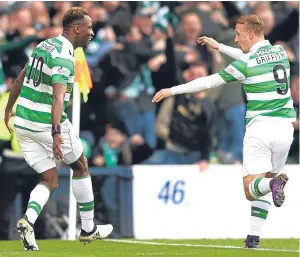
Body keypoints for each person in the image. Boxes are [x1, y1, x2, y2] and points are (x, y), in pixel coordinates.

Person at [152, 14, 296, 248]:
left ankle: (272, 185)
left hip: (260, 130)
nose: (237, 40)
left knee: (252, 189)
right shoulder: (279, 53)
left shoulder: (246, 64)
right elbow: (249, 57)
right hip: (285, 130)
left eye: (238, 35)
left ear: (250, 34)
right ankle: (253, 238)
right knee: (268, 181)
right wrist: (219, 46)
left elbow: (208, 82)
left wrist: (172, 90)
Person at [4, 7, 113, 251]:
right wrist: (56, 134)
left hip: (23, 123)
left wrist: (8, 108)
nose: (92, 33)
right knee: (81, 165)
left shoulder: (44, 46)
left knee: (49, 179)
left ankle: (27, 220)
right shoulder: (65, 58)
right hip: (46, 123)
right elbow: (57, 98)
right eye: (89, 28)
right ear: (76, 29)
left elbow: (21, 77)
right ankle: (88, 229)